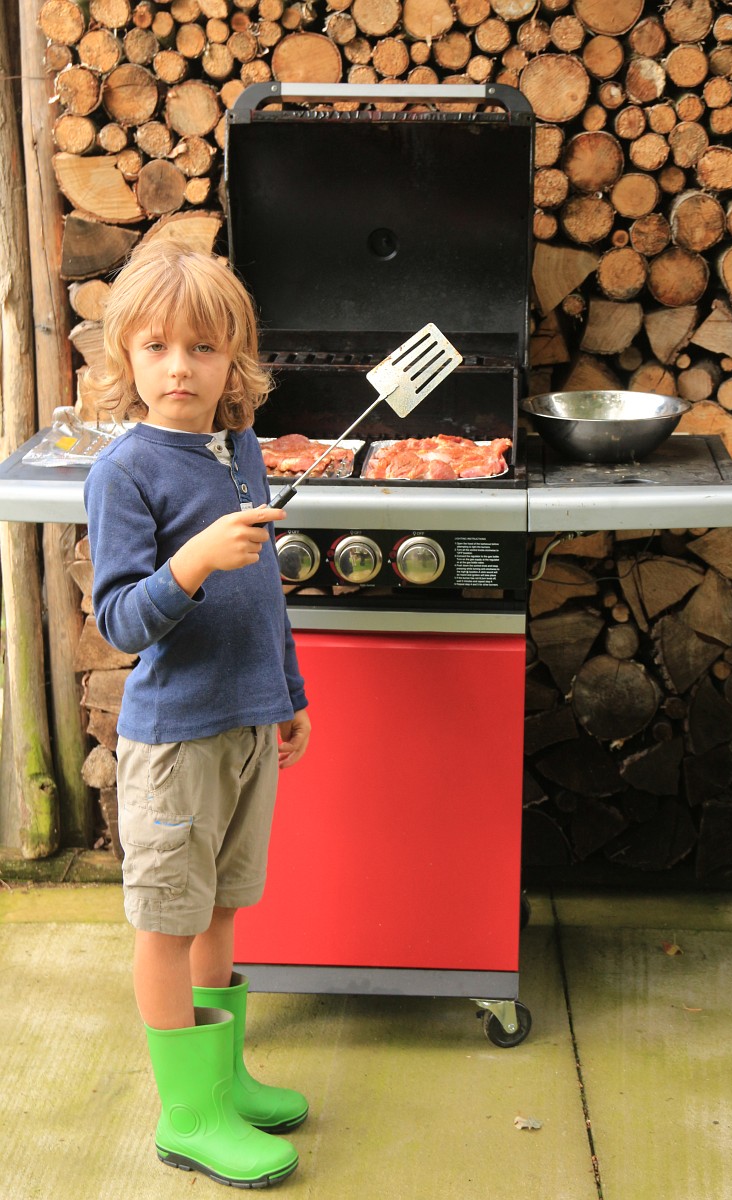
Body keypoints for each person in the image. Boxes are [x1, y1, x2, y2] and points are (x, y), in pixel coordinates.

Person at [83, 240, 311, 1189]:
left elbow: (264, 597)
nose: (180, 368)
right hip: (176, 741)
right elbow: (120, 620)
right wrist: (191, 562)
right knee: (168, 925)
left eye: (203, 349)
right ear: (127, 359)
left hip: (247, 725)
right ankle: (187, 1116)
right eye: (157, 347)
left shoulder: (241, 449)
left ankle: (224, 1078)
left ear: (234, 361)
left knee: (221, 907)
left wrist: (289, 694)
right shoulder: (126, 473)